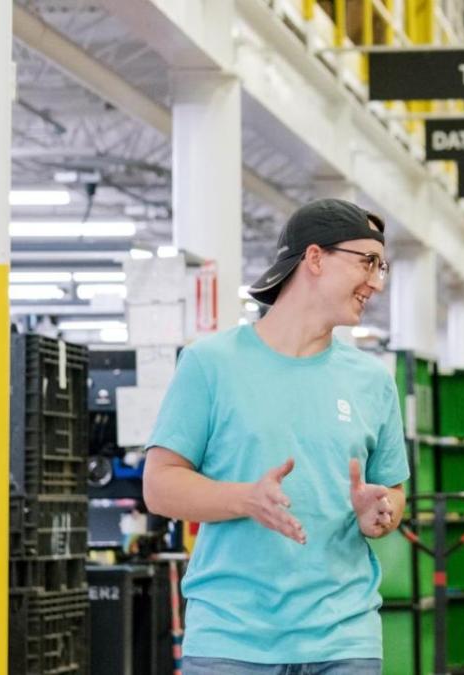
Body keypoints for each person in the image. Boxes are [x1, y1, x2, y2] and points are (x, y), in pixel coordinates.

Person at [143, 198, 410, 675]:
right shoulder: (211, 364)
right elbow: (159, 485)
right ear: (314, 258)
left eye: (381, 266)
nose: (376, 282)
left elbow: (392, 489)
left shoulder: (372, 382)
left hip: (344, 638)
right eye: (367, 262)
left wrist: (381, 512)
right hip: (231, 639)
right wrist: (246, 499)